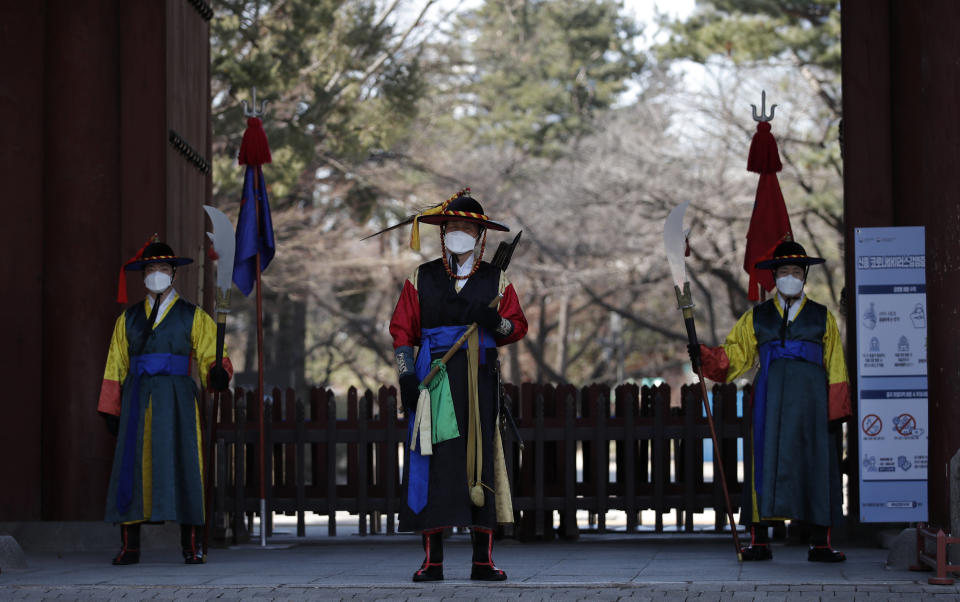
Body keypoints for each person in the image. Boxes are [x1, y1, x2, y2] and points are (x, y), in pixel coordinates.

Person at [388, 190, 528, 582]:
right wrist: (406, 377)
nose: (460, 232)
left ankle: (482, 560)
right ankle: (432, 560)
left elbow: (516, 326)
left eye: (468, 227)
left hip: (480, 381)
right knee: (433, 463)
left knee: (480, 461)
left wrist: (494, 323)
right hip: (434, 380)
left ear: (481, 235)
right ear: (443, 232)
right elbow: (402, 332)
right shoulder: (422, 277)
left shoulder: (497, 280)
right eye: (453, 227)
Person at [688, 239, 851, 562]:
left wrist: (837, 408)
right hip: (770, 399)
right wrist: (704, 356)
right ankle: (759, 540)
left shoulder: (822, 317)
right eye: (784, 271)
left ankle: (821, 543)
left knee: (816, 465)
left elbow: (835, 364)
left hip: (813, 403)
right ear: (774, 277)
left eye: (796, 271)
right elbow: (734, 356)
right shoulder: (757, 317)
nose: (790, 276)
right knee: (764, 462)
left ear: (804, 276)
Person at [97, 238, 232, 565]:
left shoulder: (193, 316)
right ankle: (130, 546)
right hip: (138, 397)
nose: (157, 274)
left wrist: (217, 373)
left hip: (177, 399)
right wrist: (111, 406)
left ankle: (192, 545)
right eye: (151, 269)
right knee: (133, 464)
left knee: (185, 462)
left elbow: (212, 355)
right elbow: (115, 364)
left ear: (174, 274)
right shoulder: (127, 320)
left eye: (163, 268)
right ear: (144, 275)